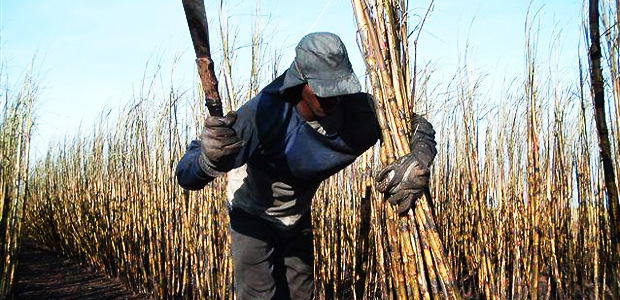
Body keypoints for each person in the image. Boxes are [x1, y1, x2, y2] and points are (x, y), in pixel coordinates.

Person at [176, 32, 436, 300]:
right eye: (323, 91)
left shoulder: (361, 115)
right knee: (259, 295)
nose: (334, 99)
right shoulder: (264, 115)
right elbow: (186, 175)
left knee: (301, 294)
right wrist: (208, 158)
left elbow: (415, 125)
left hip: (297, 213)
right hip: (251, 211)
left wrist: (419, 158)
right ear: (300, 82)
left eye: (340, 89)